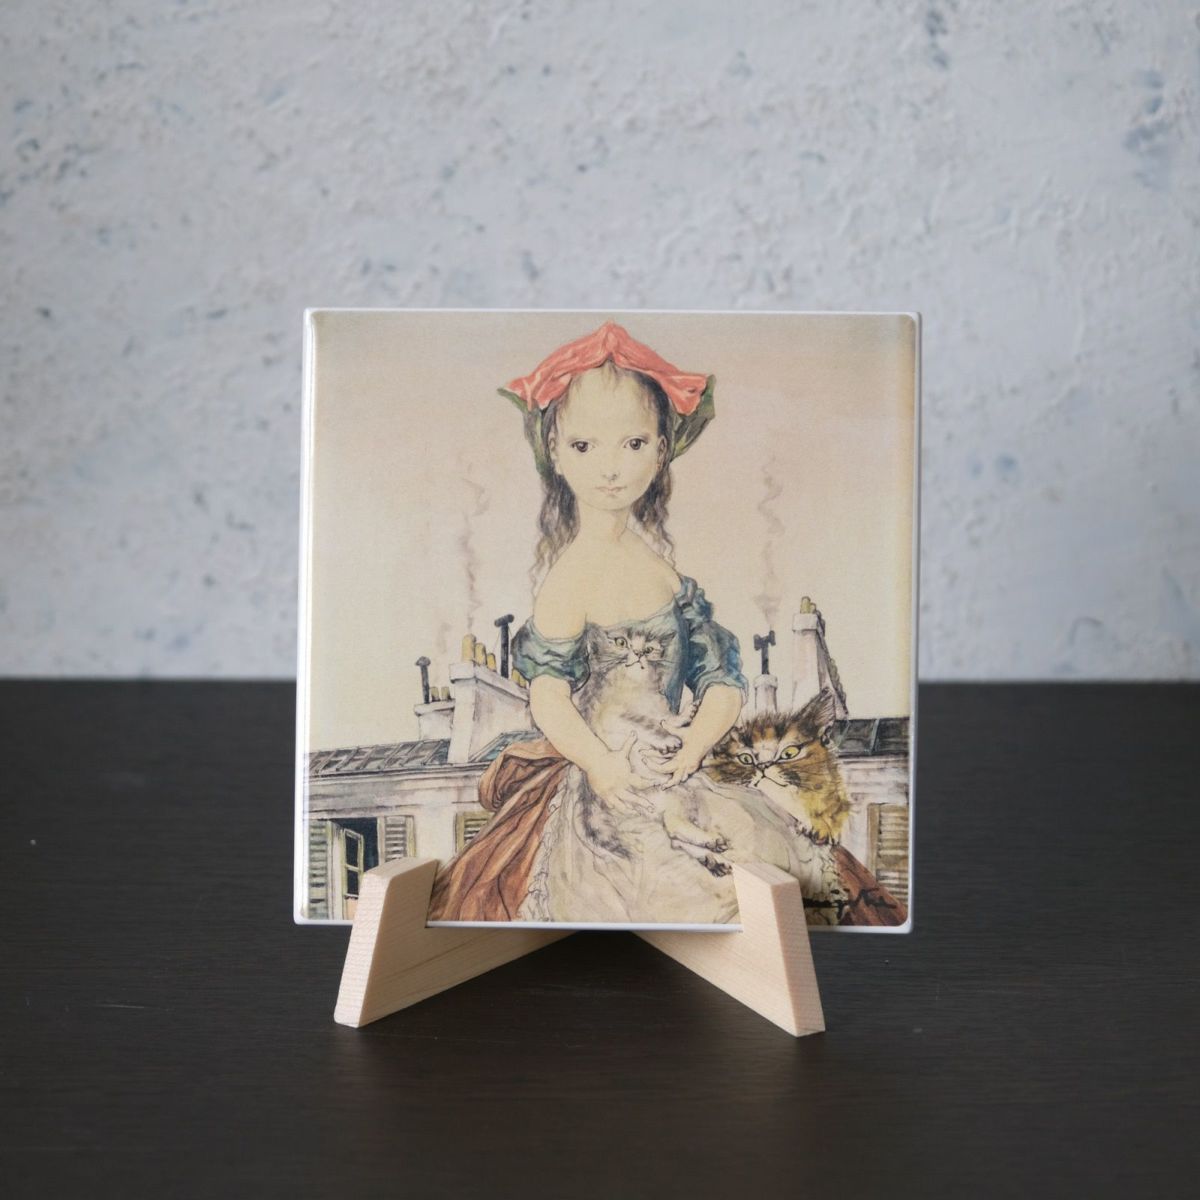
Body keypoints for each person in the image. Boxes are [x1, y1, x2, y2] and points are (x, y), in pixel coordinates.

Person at [427, 321, 830, 924]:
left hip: (680, 773)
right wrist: (600, 764)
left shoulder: (667, 578)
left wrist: (695, 745)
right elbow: (548, 696)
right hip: (605, 790)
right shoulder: (567, 581)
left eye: (633, 444)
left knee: (761, 875)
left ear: (661, 450)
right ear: (556, 453)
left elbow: (721, 681)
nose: (610, 468)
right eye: (585, 447)